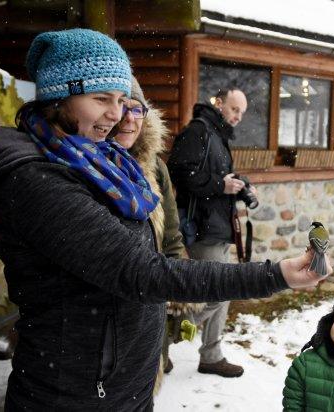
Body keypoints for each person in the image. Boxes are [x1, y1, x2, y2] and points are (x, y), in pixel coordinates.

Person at [0, 28, 329, 410]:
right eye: (101, 99)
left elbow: (158, 247)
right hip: (75, 395)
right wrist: (275, 274)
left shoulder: (105, 164)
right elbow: (141, 272)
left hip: (126, 385)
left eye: (122, 100)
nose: (117, 113)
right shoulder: (36, 181)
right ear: (60, 98)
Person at [113, 76, 198, 390]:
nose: (127, 118)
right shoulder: (83, 166)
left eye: (136, 109)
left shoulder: (154, 167)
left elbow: (172, 237)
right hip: (106, 310)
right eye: (119, 106)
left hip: (150, 299)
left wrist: (179, 295)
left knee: (144, 386)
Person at [167, 87, 253, 377]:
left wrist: (239, 187)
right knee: (209, 295)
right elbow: (179, 171)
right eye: (234, 109)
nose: (239, 116)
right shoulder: (198, 131)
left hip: (219, 228)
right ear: (218, 104)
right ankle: (164, 338)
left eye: (242, 112)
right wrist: (220, 185)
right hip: (202, 230)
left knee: (222, 293)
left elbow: (214, 177)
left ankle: (211, 356)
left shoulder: (218, 134)